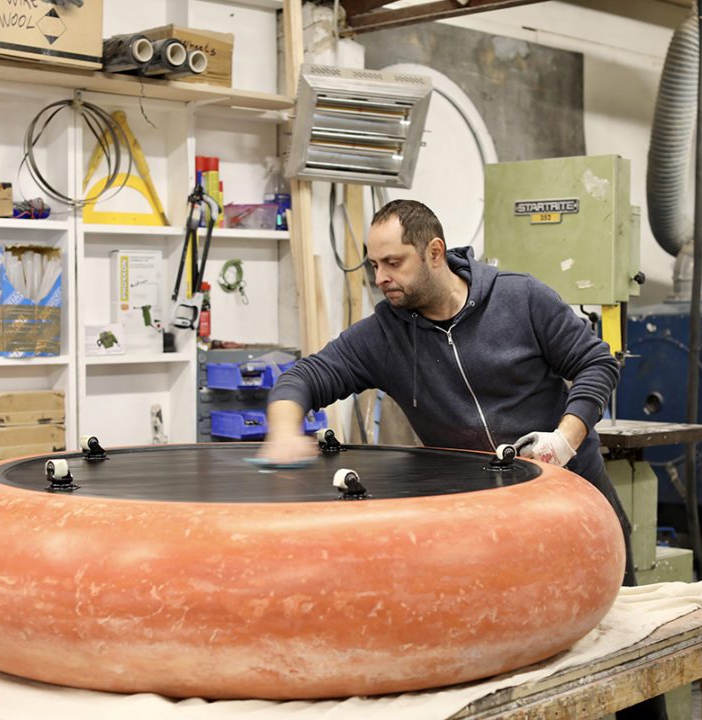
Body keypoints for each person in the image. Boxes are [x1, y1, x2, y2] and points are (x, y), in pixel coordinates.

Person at [262, 199, 665, 718]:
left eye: (393, 263)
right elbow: (307, 376)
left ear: (434, 252)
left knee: (627, 661)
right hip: (484, 533)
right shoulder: (385, 335)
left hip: (575, 510)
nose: (380, 278)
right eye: (374, 265)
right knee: (519, 679)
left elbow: (595, 361)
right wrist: (283, 427)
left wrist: (566, 439)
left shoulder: (520, 299)